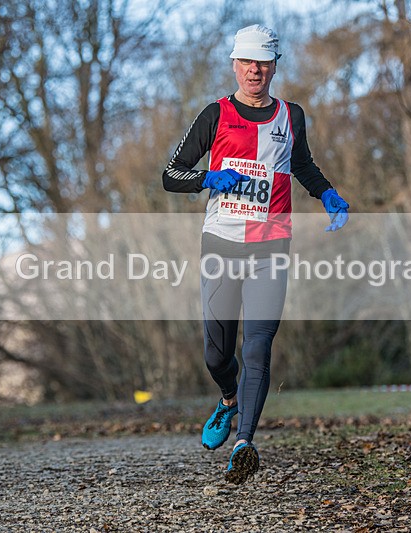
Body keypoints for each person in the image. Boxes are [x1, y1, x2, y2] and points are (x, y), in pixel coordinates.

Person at [162, 24, 349, 484]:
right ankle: (228, 400)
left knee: (259, 346)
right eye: (247, 61)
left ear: (273, 66)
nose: (255, 69)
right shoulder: (215, 114)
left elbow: (301, 164)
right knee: (216, 352)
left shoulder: (291, 116)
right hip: (222, 243)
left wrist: (326, 193)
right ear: (234, 64)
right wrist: (207, 178)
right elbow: (171, 174)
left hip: (271, 244)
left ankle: (245, 441)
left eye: (263, 62)